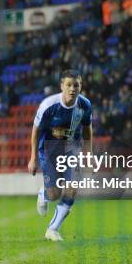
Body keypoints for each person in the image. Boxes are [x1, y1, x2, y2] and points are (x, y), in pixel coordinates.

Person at [27, 70, 93, 241]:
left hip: (72, 149)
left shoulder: (85, 105)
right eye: (69, 85)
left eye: (76, 85)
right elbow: (35, 131)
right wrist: (33, 158)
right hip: (49, 150)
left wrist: (89, 154)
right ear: (62, 86)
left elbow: (87, 129)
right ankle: (44, 194)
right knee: (55, 194)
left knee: (72, 189)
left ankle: (53, 229)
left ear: (81, 86)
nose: (73, 89)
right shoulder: (48, 105)